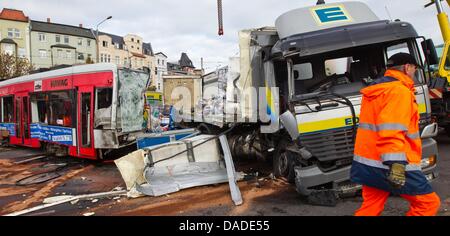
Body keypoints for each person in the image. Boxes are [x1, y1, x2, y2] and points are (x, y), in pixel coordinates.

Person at [351, 52, 441, 216]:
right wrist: (396, 165)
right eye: (414, 69)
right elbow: (391, 130)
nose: (414, 73)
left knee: (370, 208)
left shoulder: (376, 90)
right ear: (407, 67)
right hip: (393, 164)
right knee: (428, 204)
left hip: (369, 163)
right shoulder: (399, 91)